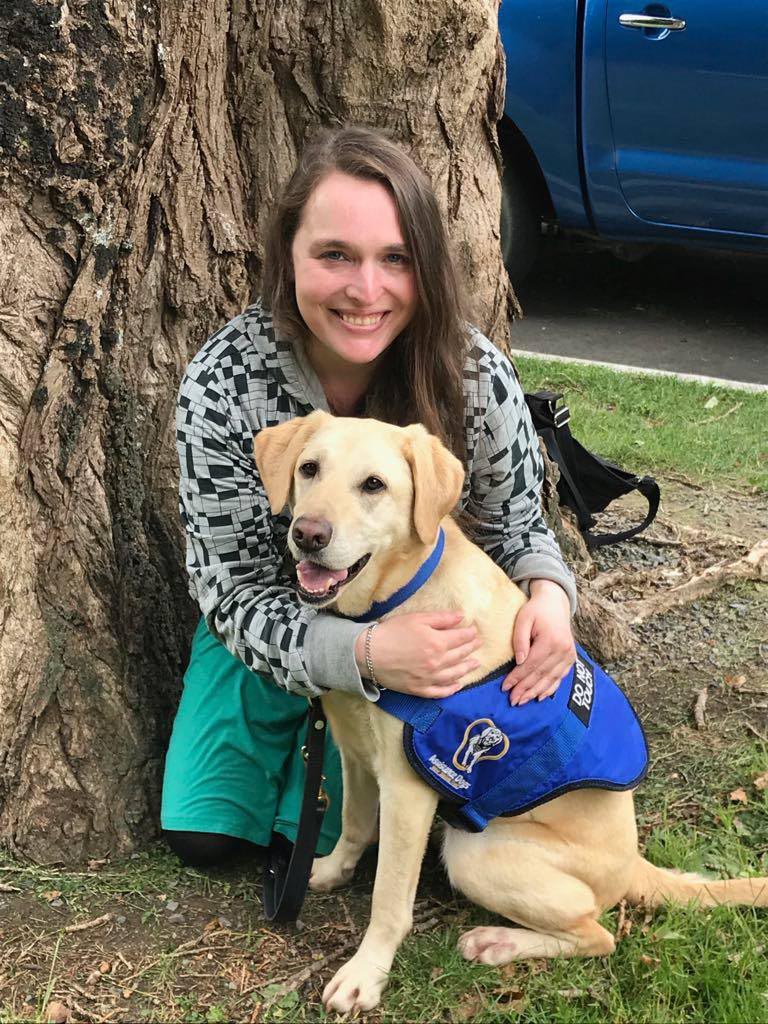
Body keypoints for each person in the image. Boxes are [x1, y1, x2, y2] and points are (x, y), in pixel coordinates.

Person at [161, 125, 577, 869]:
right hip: (274, 619)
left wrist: (549, 594)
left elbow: (520, 526)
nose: (365, 289)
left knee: (319, 839)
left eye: (396, 259)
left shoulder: (474, 376)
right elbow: (227, 590)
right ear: (287, 256)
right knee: (209, 838)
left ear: (428, 268)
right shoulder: (224, 383)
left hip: (423, 623)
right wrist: (362, 653)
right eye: (334, 256)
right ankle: (292, 731)